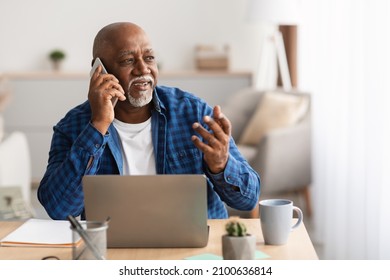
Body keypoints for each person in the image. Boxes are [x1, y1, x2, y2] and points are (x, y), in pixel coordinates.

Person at [38, 22, 260, 220]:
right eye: (128, 60)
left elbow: (248, 200)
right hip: (113, 250)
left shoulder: (193, 112)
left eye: (149, 58)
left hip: (193, 250)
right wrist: (98, 125)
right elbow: (59, 210)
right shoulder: (73, 126)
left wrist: (221, 164)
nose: (143, 69)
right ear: (99, 70)